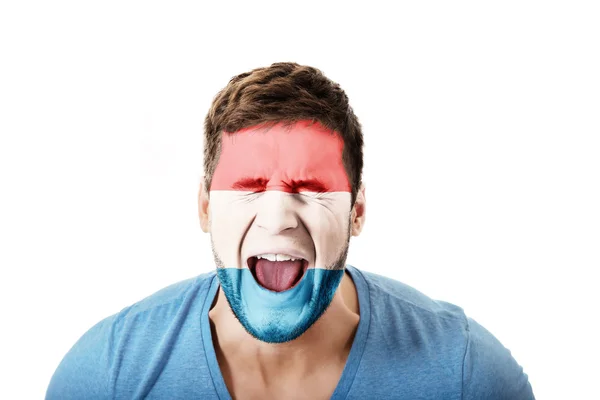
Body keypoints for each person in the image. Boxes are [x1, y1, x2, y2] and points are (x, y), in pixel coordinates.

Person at [46, 62, 535, 399]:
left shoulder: (466, 376)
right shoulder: (106, 377)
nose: (277, 217)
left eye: (310, 187)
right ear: (203, 207)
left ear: (357, 211)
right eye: (250, 186)